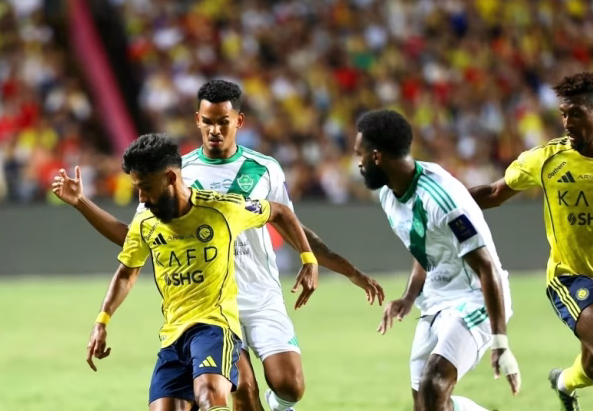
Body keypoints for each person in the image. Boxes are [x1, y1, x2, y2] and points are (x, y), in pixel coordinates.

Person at [52, 80, 384, 411]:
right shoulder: (175, 172)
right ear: (197, 120)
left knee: (290, 385)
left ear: (238, 121)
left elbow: (288, 221)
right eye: (207, 122)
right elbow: (136, 235)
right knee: (243, 391)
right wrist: (82, 203)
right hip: (213, 303)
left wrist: (340, 269)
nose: (214, 130)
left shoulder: (265, 169)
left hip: (261, 293)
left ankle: (280, 405)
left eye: (223, 122)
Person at [468, 72, 593, 411]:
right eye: (562, 114)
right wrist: (440, 200)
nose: (566, 123)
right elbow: (494, 192)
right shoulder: (547, 158)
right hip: (569, 276)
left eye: (574, 113)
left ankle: (562, 382)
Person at [82, 133, 317, 411]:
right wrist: (102, 321)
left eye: (145, 188)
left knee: (210, 395)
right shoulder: (145, 222)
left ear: (170, 178)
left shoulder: (220, 209)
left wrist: (308, 258)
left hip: (215, 327)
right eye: (137, 189)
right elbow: (126, 273)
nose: (142, 198)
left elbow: (280, 212)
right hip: (173, 336)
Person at [353, 109, 521, 411]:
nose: (358, 163)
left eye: (359, 154)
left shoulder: (441, 198)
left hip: (474, 298)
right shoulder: (389, 195)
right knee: (425, 404)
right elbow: (425, 246)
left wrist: (500, 342)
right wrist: (408, 296)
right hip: (435, 299)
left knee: (433, 385)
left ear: (376, 157)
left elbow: (487, 268)